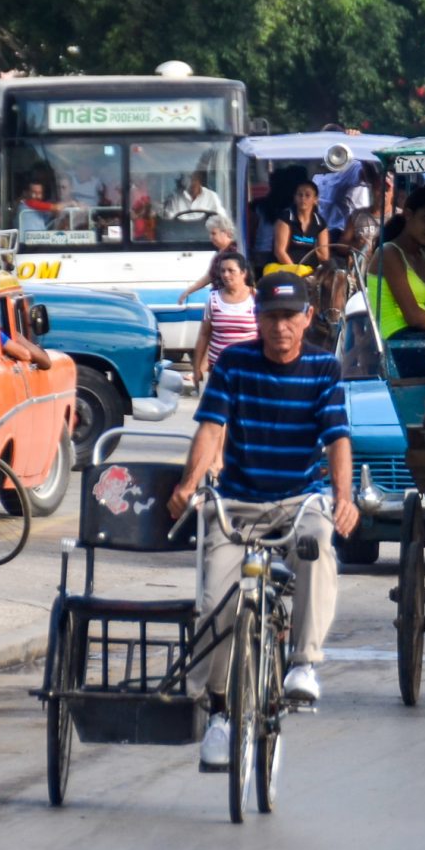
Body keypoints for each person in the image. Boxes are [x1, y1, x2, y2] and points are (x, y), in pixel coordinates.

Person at [167, 272, 358, 770]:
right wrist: (189, 485)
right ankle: (219, 715)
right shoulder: (234, 362)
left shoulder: (322, 367)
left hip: (298, 503)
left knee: (319, 543)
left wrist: (344, 497)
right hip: (238, 505)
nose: (280, 327)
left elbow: (337, 437)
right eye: (271, 317)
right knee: (214, 603)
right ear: (257, 319)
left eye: (290, 317)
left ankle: (303, 663)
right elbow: (212, 427)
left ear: (307, 318)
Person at [364, 178, 425, 340]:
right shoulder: (388, 252)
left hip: (424, 336)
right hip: (396, 339)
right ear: (409, 215)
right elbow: (414, 317)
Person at [191, 250, 257, 388]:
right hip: (219, 368)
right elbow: (204, 335)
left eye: (231, 270)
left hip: (249, 368)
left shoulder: (255, 297)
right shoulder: (213, 298)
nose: (226, 275)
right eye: (222, 271)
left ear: (243, 273)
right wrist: (197, 368)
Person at [177, 215, 239, 306]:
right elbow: (210, 276)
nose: (211, 237)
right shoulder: (221, 252)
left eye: (214, 233)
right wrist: (188, 291)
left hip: (229, 303)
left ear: (225, 232)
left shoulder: (233, 252)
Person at [273, 180, 330, 269]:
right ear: (295, 198)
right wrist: (295, 272)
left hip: (310, 271)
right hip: (285, 268)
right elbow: (280, 252)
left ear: (315, 200)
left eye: (307, 195)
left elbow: (324, 256)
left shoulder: (320, 223)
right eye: (300, 195)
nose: (303, 198)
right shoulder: (286, 218)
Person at [163, 169, 228, 221]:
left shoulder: (212, 196)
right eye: (189, 178)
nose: (192, 182)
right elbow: (168, 220)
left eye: (195, 178)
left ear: (200, 179)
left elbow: (222, 219)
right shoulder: (175, 198)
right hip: (180, 235)